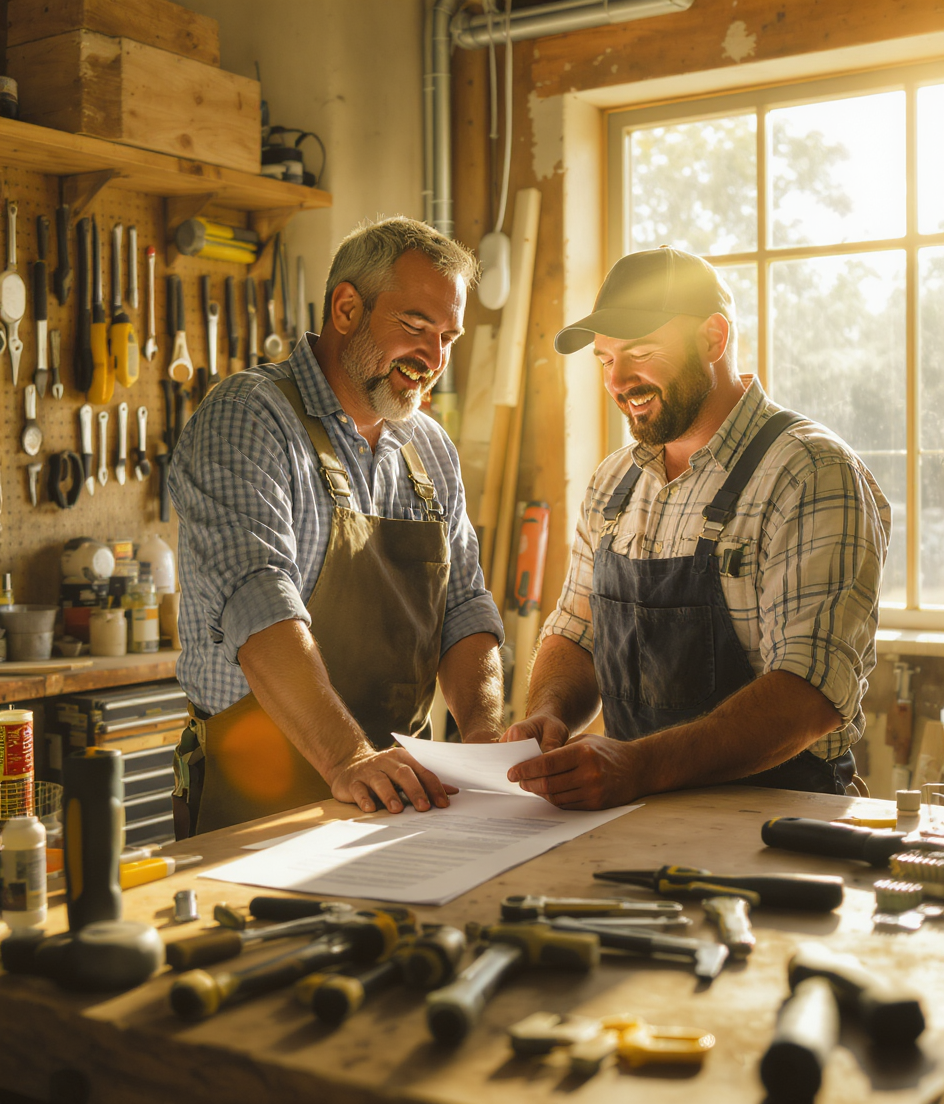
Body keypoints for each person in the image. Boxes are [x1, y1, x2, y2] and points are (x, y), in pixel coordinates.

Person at [503, 246, 890, 810]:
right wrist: (548, 711)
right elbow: (577, 634)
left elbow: (811, 693)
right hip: (634, 810)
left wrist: (639, 766)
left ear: (713, 338)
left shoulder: (809, 471)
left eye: (641, 353)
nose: (619, 381)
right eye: (606, 360)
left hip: (773, 823)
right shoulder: (614, 483)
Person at [169, 217, 505, 837]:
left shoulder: (429, 447)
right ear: (346, 308)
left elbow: (464, 607)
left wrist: (486, 742)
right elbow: (259, 604)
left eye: (448, 337)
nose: (434, 358)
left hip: (405, 794)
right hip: (260, 793)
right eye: (415, 327)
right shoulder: (250, 416)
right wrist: (350, 759)